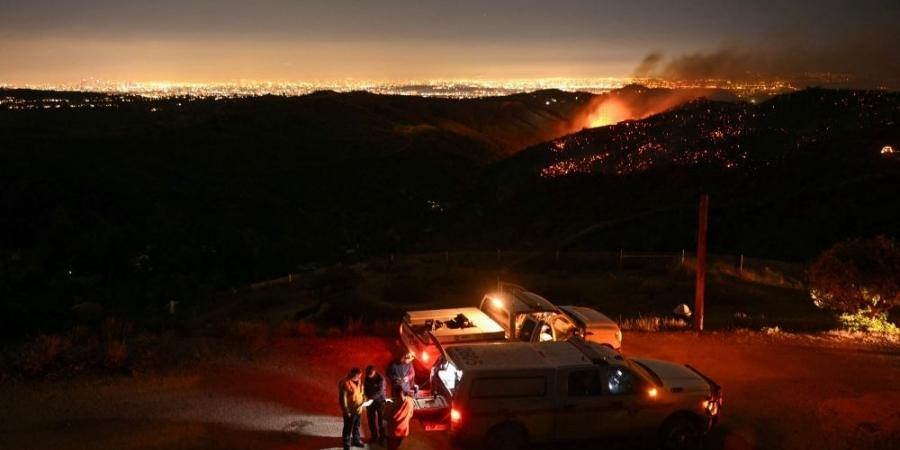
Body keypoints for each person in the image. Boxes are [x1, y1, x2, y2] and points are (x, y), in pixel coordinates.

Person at [339, 367, 365, 449]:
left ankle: (356, 440)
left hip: (358, 409)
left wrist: (363, 398)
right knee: (348, 428)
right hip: (350, 411)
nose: (360, 378)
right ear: (354, 375)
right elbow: (343, 399)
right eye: (359, 376)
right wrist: (346, 410)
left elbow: (360, 392)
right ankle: (346, 444)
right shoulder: (345, 383)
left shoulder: (359, 380)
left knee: (356, 426)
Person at [384, 385, 415, 450]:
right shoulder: (410, 401)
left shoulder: (390, 405)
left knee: (391, 446)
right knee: (397, 443)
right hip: (403, 429)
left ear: (395, 393)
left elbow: (385, 417)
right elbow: (411, 415)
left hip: (393, 431)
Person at [363, 365, 387, 445]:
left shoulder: (381, 379)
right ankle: (374, 436)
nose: (369, 375)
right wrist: (365, 396)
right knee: (371, 420)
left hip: (380, 401)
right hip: (370, 401)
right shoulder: (367, 377)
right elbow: (365, 388)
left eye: (370, 374)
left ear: (374, 372)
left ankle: (383, 438)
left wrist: (371, 399)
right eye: (368, 374)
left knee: (381, 421)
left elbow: (380, 392)